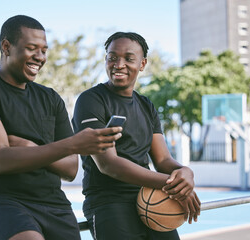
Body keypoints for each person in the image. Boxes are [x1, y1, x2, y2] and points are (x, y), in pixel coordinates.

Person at [0, 15, 122, 240]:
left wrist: (30, 146)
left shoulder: (50, 98)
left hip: (53, 204)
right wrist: (70, 145)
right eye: (32, 48)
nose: (40, 57)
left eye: (44, 50)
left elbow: (70, 169)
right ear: (6, 47)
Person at [72, 32, 201, 240]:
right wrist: (174, 185)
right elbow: (108, 164)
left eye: (129, 58)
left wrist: (185, 173)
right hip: (109, 202)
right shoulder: (91, 101)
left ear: (142, 64)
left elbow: (163, 160)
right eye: (112, 57)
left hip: (151, 197)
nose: (119, 64)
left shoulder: (146, 105)